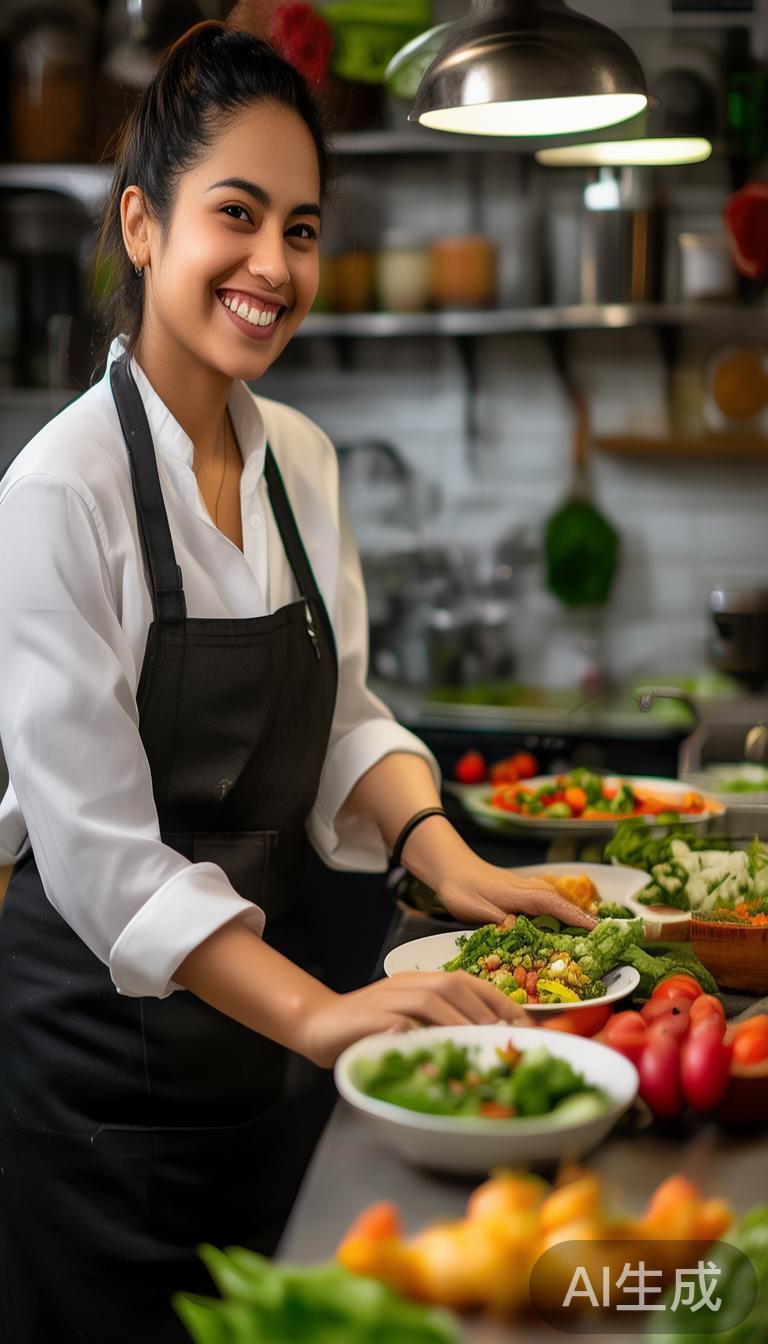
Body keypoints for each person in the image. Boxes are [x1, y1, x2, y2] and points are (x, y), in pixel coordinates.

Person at [0, 22, 593, 1344]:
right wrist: (325, 1014)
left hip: (257, 1056)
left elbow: (341, 721)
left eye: (305, 228)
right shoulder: (56, 494)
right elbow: (105, 865)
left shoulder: (302, 463)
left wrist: (447, 859)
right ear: (143, 225)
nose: (276, 265)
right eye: (239, 215)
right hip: (96, 1079)